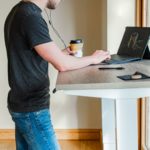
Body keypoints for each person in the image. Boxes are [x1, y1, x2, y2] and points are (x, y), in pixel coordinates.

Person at [4, 0, 110, 149]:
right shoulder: (30, 17)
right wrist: (94, 58)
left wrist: (63, 53)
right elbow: (62, 64)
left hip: (22, 104)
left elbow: (34, 57)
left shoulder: (19, 11)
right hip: (32, 109)